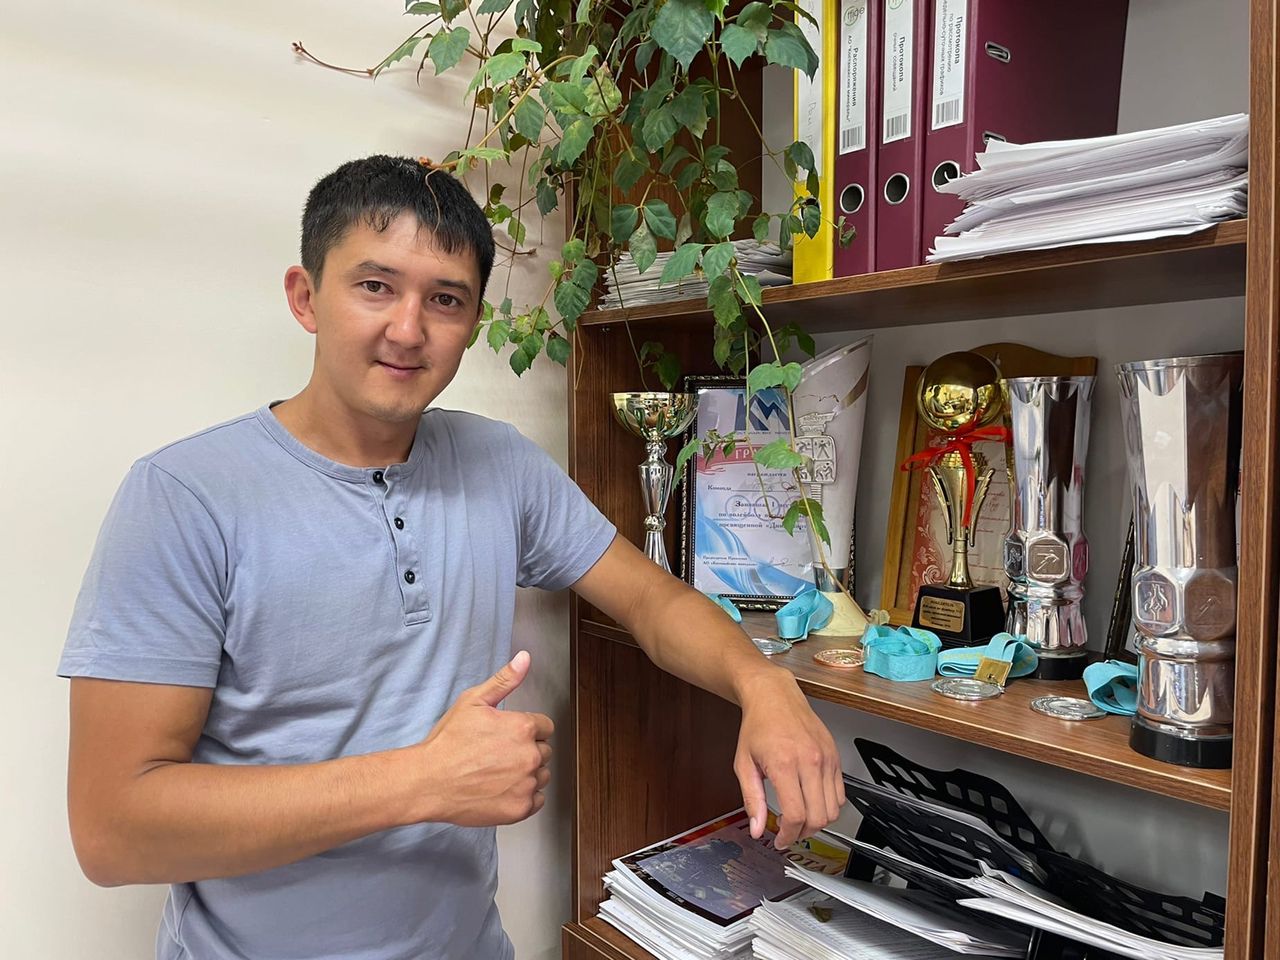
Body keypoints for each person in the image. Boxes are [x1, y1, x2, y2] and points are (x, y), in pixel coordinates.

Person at [59, 155, 845, 960]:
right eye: (375, 286)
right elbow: (113, 830)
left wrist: (762, 684)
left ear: (471, 322)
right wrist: (423, 781)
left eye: (445, 299)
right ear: (305, 296)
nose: (409, 330)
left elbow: (651, 600)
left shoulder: (498, 463)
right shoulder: (185, 496)